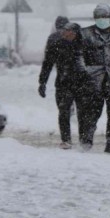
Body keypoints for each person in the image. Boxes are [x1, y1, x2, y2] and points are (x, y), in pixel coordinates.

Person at [75, 3, 110, 154]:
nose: (101, 19)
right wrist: (85, 71)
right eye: (98, 17)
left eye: (104, 16)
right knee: (91, 113)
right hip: (93, 80)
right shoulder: (85, 34)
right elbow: (78, 55)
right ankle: (86, 141)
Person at [38, 20, 84, 150]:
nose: (64, 33)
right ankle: (66, 139)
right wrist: (42, 82)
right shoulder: (57, 45)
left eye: (68, 31)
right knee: (63, 111)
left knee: (84, 113)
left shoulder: (86, 46)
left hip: (83, 84)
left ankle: (84, 139)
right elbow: (47, 64)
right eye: (64, 31)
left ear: (75, 33)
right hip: (63, 83)